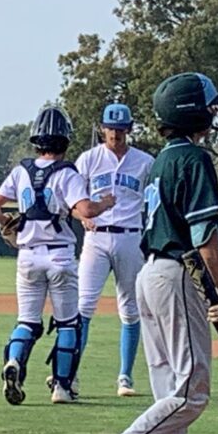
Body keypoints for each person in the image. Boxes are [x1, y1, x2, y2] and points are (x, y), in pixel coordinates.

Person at [83, 73, 218, 434]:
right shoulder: (193, 159)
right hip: (176, 274)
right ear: (193, 112)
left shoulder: (160, 161)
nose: (214, 113)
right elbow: (204, 233)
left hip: (151, 275)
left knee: (168, 390)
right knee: (191, 393)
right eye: (209, 106)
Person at [0, 106, 116, 405]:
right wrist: (105, 202)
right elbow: (85, 211)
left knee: (27, 322)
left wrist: (6, 222)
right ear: (65, 140)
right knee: (68, 323)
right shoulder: (67, 173)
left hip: (28, 256)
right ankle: (62, 387)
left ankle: (15, 362)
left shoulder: (21, 170)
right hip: (59, 256)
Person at [73, 103, 154, 397]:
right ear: (102, 128)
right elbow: (70, 197)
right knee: (83, 306)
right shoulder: (88, 159)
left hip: (130, 237)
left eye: (120, 130)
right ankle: (69, 375)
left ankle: (125, 378)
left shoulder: (145, 162)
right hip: (96, 238)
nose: (115, 135)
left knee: (130, 309)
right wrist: (82, 215)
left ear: (129, 129)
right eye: (111, 129)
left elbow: (155, 200)